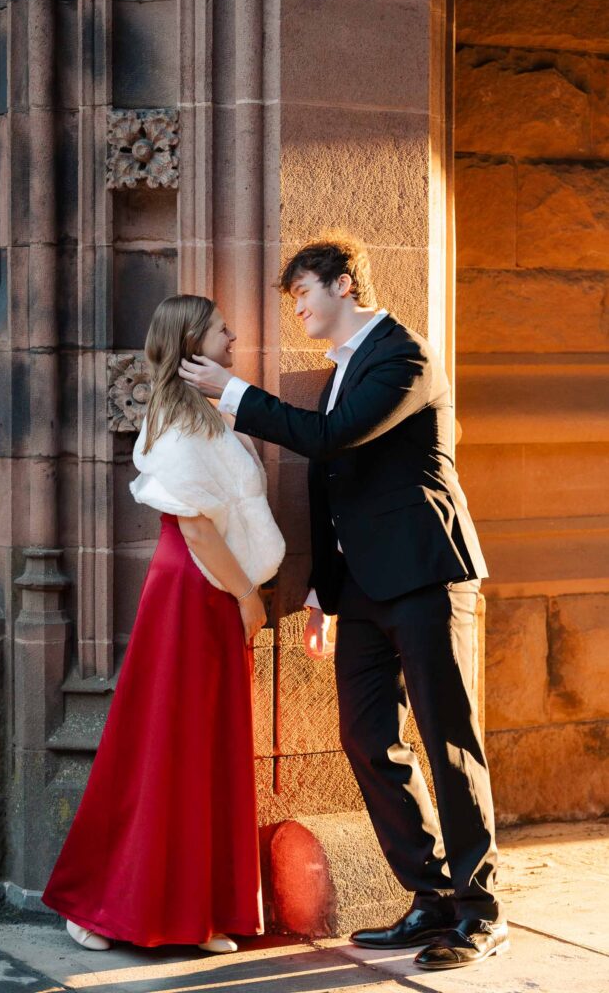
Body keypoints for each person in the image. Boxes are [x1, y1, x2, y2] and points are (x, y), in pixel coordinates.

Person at [178, 233, 508, 971]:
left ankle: (480, 912)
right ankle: (429, 898)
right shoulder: (343, 369)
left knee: (448, 743)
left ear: (344, 285)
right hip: (361, 590)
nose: (295, 308)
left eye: (302, 292)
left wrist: (229, 392)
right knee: (366, 740)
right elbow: (334, 493)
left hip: (426, 577)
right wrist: (325, 593)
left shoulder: (405, 356)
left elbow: (330, 441)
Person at [42, 295, 285, 953]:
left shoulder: (206, 418)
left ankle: (198, 910)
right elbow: (198, 528)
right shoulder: (178, 428)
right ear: (192, 345)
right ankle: (97, 907)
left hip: (210, 591)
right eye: (220, 329)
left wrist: (238, 594)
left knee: (206, 749)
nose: (233, 337)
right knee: (159, 745)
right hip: (191, 591)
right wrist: (249, 599)